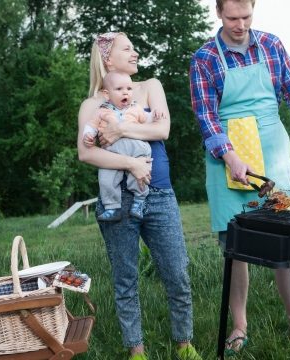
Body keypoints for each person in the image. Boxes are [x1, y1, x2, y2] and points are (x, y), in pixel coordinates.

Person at [189, 0, 290, 355]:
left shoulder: (271, 44)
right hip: (230, 158)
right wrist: (230, 156)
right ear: (219, 14)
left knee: (285, 240)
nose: (240, 24)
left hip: (271, 154)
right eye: (232, 17)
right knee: (236, 244)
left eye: (246, 16)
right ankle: (239, 326)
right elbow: (205, 116)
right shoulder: (205, 58)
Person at [78, 32, 202, 360]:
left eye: (135, 47)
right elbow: (87, 153)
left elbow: (162, 130)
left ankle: (184, 344)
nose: (135, 53)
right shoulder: (92, 104)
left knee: (176, 271)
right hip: (118, 198)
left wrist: (120, 130)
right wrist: (131, 163)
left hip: (159, 193)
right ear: (107, 59)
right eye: (128, 48)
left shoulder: (150, 86)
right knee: (126, 277)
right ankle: (136, 350)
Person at [83, 70, 152, 222]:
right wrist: (88, 135)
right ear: (107, 94)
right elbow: (91, 126)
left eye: (128, 89)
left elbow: (147, 121)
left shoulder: (135, 108)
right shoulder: (101, 111)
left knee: (139, 177)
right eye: (119, 89)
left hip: (137, 150)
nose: (125, 93)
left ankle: (140, 202)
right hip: (112, 155)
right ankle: (112, 207)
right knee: (106, 179)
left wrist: (155, 115)